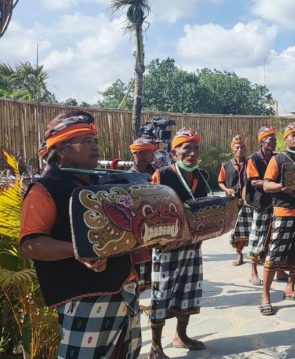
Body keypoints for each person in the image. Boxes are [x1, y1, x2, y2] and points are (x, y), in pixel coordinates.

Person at [20, 110, 141, 358]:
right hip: (83, 299)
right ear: (62, 149)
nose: (94, 146)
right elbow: (30, 244)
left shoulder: (102, 184)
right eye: (86, 141)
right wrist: (78, 250)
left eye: (95, 141)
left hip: (122, 290)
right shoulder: (44, 189)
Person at [149, 128, 209, 358]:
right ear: (174, 153)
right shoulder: (162, 175)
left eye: (195, 148)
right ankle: (155, 345)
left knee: (189, 290)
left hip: (193, 245)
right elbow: (152, 210)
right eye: (187, 149)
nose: (192, 153)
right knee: (162, 292)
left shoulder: (201, 175)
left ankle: (181, 335)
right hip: (168, 246)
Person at [259, 123, 295, 315]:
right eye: (292, 135)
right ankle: (265, 295)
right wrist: (283, 186)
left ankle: (289, 288)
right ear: (285, 139)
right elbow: (266, 186)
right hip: (284, 212)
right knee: (275, 255)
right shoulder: (278, 159)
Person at [245, 126, 288, 286]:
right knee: (257, 236)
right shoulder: (253, 159)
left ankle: (278, 270)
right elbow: (254, 181)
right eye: (271, 140)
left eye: (275, 140)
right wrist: (272, 184)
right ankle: (254, 272)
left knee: (276, 236)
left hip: (277, 202)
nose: (274, 143)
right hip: (261, 203)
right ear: (262, 142)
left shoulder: (277, 157)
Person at [129, 136, 160, 293]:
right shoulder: (128, 178)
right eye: (150, 152)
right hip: (138, 230)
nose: (153, 155)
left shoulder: (156, 175)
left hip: (154, 229)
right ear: (139, 154)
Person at [219, 135, 252, 267]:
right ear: (232, 150)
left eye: (242, 147)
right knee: (235, 228)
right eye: (237, 147)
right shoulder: (225, 165)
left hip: (248, 200)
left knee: (250, 226)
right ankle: (239, 253)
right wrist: (227, 189)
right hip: (232, 201)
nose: (240, 149)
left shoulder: (250, 163)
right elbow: (220, 182)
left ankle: (256, 253)